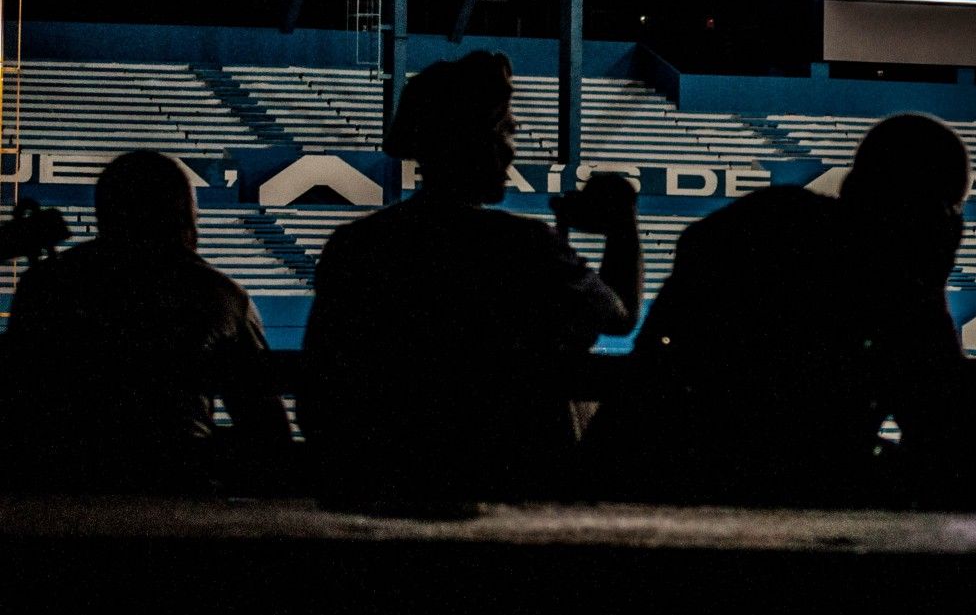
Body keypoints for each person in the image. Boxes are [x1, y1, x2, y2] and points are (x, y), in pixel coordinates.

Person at [584, 112, 976, 507]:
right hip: (717, 505)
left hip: (636, 484)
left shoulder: (758, 228)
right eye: (950, 212)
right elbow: (958, 439)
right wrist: (929, 287)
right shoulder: (883, 285)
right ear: (931, 218)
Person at [298, 51, 639, 510]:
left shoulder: (355, 245)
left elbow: (322, 386)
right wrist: (621, 224)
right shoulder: (526, 245)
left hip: (383, 485)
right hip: (514, 486)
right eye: (506, 130)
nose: (512, 148)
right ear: (474, 140)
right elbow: (620, 317)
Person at [0, 150, 292, 493]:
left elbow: (16, 410)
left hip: (60, 487)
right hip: (178, 490)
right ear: (185, 217)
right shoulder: (221, 296)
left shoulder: (47, 284)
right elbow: (268, 433)